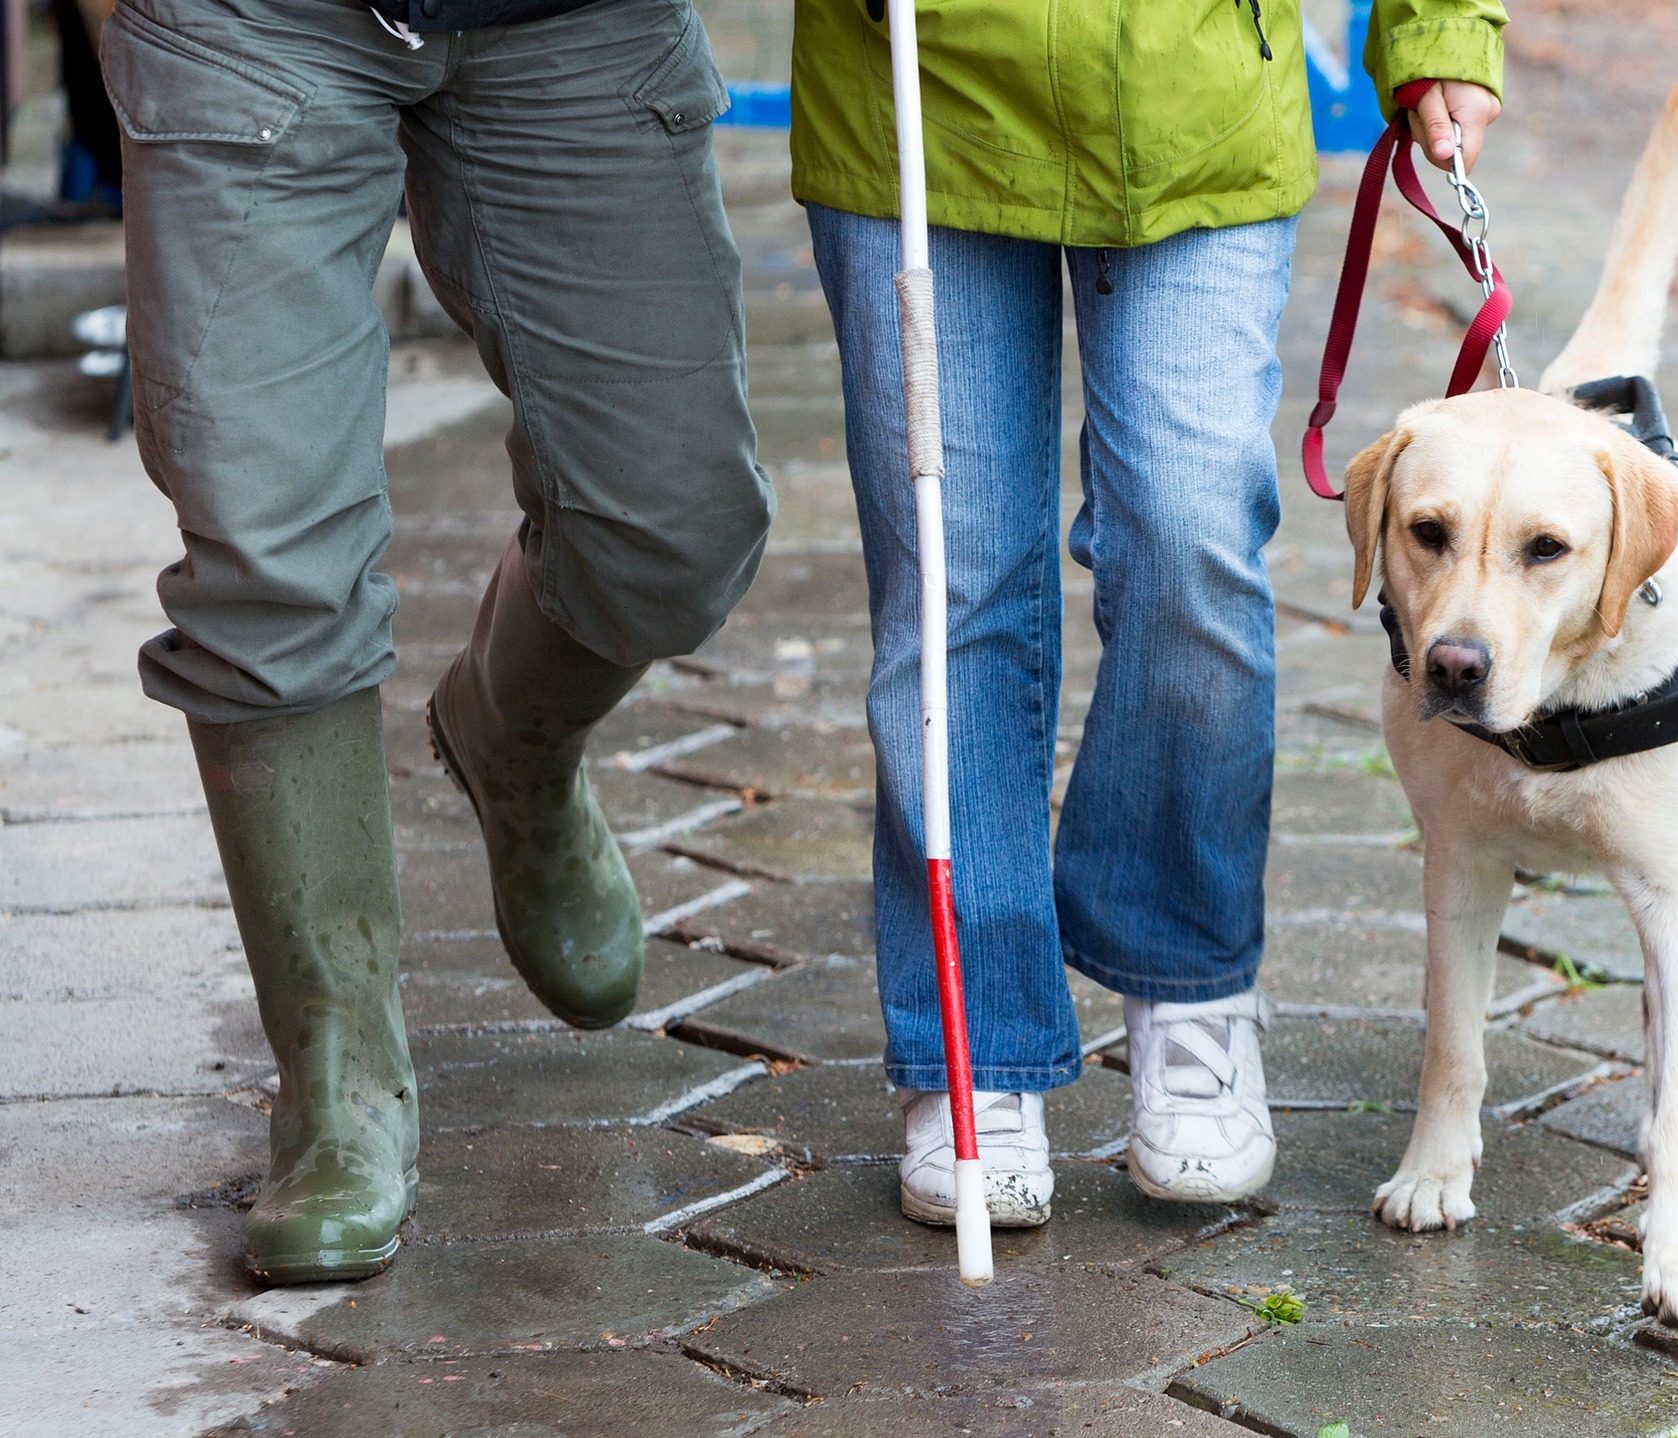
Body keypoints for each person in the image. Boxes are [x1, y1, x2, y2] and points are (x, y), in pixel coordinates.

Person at [790, 0, 1507, 1226]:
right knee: (951, 578)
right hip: (916, 85)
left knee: (1192, 535)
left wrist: (1440, 23)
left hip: (1194, 101)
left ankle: (1187, 982)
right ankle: (977, 1044)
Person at [108, 0, 772, 1282]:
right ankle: (338, 1079)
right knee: (264, 549)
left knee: (672, 526)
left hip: (573, 16)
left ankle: (512, 744)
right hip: (249, 23)